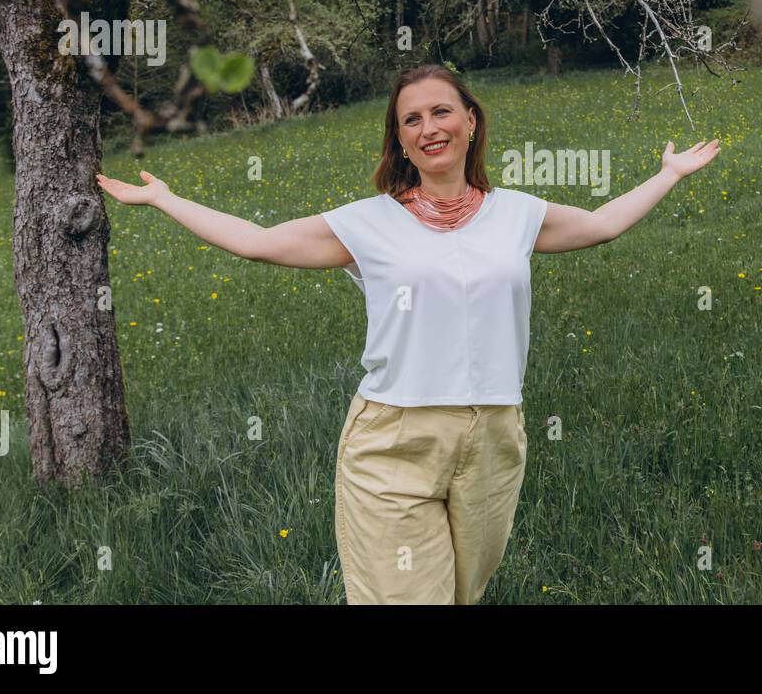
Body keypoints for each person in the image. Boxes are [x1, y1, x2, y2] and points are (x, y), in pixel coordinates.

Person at [97, 63, 720, 604]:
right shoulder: (367, 224)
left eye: (442, 111)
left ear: (471, 121)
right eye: (412, 119)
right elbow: (260, 243)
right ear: (400, 138)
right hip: (394, 439)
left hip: (495, 435)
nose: (430, 128)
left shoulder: (518, 215)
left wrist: (668, 175)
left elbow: (603, 225)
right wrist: (166, 200)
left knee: (459, 593)